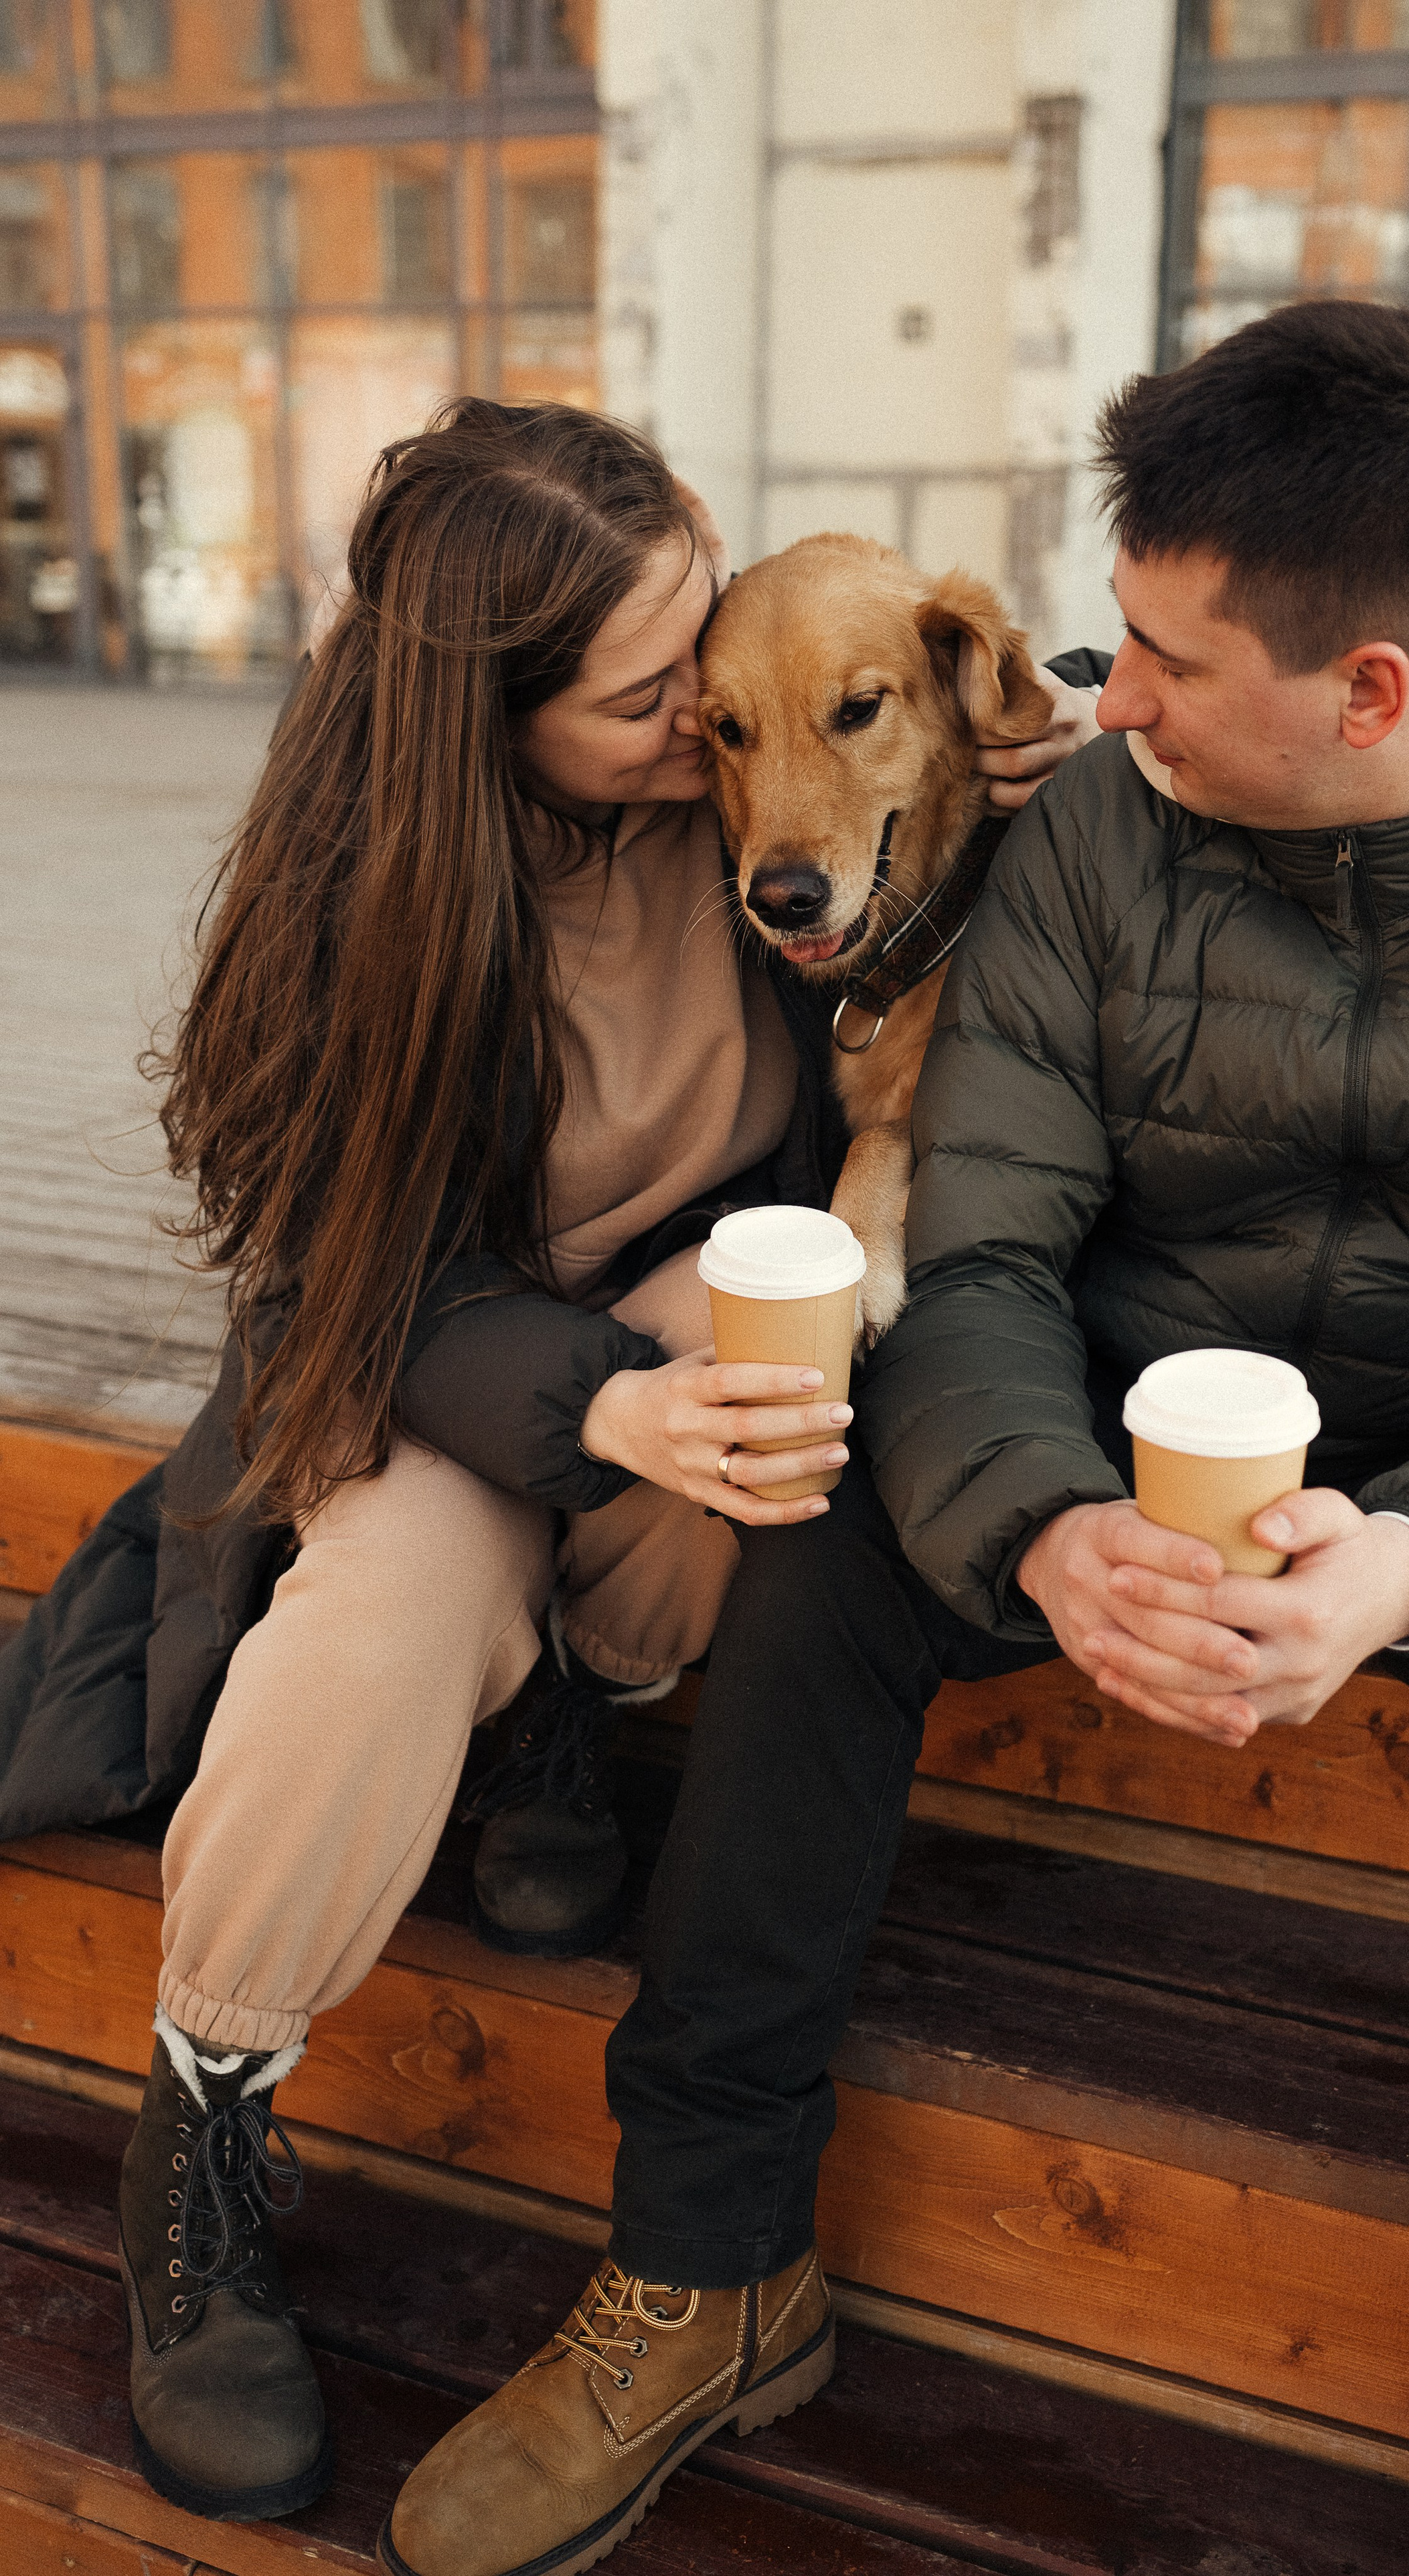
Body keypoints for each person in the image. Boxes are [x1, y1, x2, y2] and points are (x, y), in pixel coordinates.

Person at [384, 304, 1409, 2576]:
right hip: (1111, 1404)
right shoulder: (1101, 824)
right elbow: (979, 1249)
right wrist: (1049, 1525)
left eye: (1165, 659)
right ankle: (708, 2268)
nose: (1096, 697)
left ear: (1369, 691)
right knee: (818, 1549)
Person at [0, 396, 1095, 2526]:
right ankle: (205, 2123)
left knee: (785, 1371)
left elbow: (876, 714)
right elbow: (334, 1294)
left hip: (673, 1346)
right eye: (649, 693)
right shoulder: (362, 901)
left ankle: (568, 1725)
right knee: (396, 1603)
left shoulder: (748, 796)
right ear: (493, 722)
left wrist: (1005, 731)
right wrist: (594, 1403)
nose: (710, 711)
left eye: (700, 628)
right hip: (432, 1382)